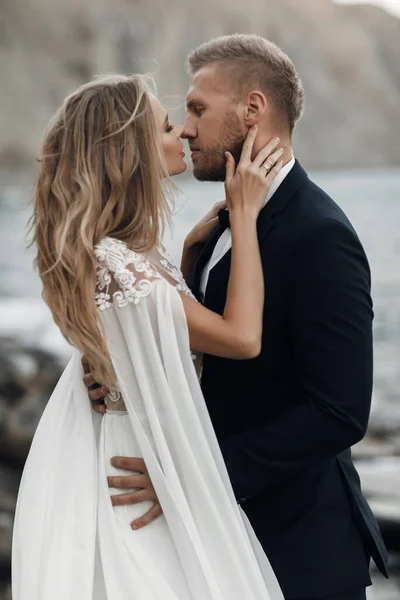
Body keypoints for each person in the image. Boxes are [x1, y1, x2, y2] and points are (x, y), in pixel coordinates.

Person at [86, 35, 389, 600]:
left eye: (198, 108)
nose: (187, 128)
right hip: (219, 547)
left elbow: (340, 411)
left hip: (298, 553)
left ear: (252, 109)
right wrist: (125, 368)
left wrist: (190, 477)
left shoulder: (318, 234)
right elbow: (207, 358)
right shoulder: (225, 222)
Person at [12, 73, 286, 599]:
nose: (182, 132)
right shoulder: (117, 262)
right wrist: (245, 216)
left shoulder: (130, 253)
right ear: (129, 150)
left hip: (141, 449)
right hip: (137, 470)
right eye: (165, 125)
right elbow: (241, 337)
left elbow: (153, 323)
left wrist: (183, 257)